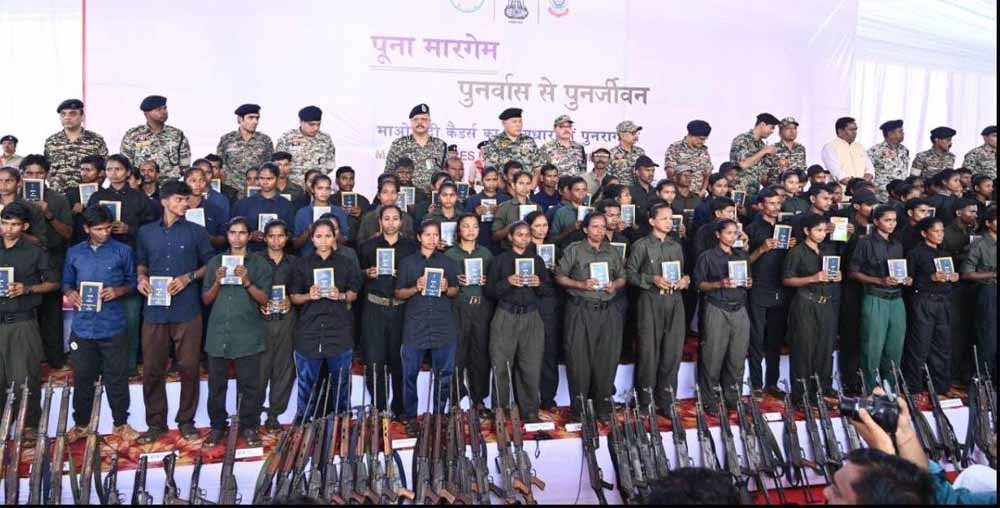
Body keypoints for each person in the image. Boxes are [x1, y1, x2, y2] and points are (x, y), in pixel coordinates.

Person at [134, 181, 215, 444]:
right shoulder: (146, 232)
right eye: (179, 199)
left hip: (187, 308)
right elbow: (141, 263)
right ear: (164, 201)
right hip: (155, 309)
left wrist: (188, 277)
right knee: (152, 368)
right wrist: (141, 278)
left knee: (189, 366)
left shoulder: (197, 232)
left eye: (186, 199)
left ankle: (186, 421)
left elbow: (211, 264)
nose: (185, 204)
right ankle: (156, 423)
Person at [62, 205, 138, 441]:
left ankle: (121, 424)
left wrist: (118, 291)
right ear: (87, 229)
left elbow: (133, 283)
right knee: (83, 377)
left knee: (117, 377)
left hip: (112, 324)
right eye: (99, 229)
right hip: (83, 327)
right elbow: (66, 283)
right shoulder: (74, 253)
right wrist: (70, 293)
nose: (105, 233)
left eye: (107, 228)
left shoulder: (123, 251)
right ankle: (81, 425)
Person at [200, 217, 270, 446]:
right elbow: (206, 299)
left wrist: (247, 281)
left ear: (249, 236)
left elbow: (265, 299)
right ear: (227, 235)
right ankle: (217, 427)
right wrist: (217, 282)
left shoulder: (259, 264)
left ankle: (249, 426)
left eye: (242, 233)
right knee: (216, 386)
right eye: (232, 232)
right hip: (219, 332)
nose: (237, 237)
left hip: (247, 332)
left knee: (249, 385)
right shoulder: (215, 263)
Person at [555, 212, 626, 418]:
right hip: (581, 310)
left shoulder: (611, 251)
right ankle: (579, 410)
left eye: (603, 226)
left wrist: (615, 285)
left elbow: (622, 276)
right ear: (585, 229)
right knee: (578, 360)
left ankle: (603, 407)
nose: (600, 231)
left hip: (607, 311)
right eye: (595, 226)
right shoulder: (574, 250)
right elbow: (559, 276)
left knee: (607, 359)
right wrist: (580, 284)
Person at [0, 202, 60, 441]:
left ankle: (29, 427)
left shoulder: (35, 251)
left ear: (24, 226)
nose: (8, 229)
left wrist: (27, 289)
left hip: (22, 322)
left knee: (24, 378)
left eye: (14, 225)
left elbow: (53, 283)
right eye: (4, 223)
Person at [288, 218, 359, 419]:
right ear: (312, 239)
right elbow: (294, 297)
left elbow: (354, 293)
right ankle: (304, 421)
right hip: (310, 330)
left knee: (341, 382)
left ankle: (341, 421)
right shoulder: (302, 264)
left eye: (328, 236)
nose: (324, 240)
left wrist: (341, 295)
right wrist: (308, 296)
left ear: (335, 237)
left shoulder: (345, 263)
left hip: (338, 329)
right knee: (306, 382)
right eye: (319, 236)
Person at [395, 221, 460, 418]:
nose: (432, 239)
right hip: (415, 325)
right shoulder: (407, 263)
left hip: (442, 324)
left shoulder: (448, 262)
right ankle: (410, 416)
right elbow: (398, 293)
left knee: (444, 375)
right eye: (427, 235)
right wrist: (416, 287)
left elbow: (455, 291)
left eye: (436, 235)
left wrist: (446, 288)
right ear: (419, 237)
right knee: (409, 375)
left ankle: (439, 416)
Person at [626, 203, 688, 407]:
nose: (669, 222)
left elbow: (682, 272)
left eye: (671, 219)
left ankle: (667, 400)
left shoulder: (675, 246)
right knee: (648, 352)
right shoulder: (641, 245)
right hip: (650, 300)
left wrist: (684, 280)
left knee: (673, 352)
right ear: (652, 221)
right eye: (664, 218)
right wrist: (651, 279)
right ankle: (645, 402)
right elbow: (629, 274)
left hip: (674, 300)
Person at [848, 205, 911, 390]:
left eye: (894, 220)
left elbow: (899, 270)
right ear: (876, 221)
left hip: (897, 298)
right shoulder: (865, 243)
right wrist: (878, 280)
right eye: (887, 220)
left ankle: (890, 389)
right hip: (875, 297)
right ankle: (869, 389)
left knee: (895, 347)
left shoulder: (897, 244)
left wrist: (906, 279)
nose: (891, 224)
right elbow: (852, 272)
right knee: (872, 347)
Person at [20, 155, 74, 370]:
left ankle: (55, 359)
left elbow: (68, 233)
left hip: (51, 259)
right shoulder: (15, 198)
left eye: (39, 173)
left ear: (47, 175)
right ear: (22, 175)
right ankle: (28, 361)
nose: (34, 177)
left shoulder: (57, 199)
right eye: (29, 173)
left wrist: (48, 213)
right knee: (25, 313)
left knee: (52, 313)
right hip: (22, 263)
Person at [693, 219, 752, 411]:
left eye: (735, 233)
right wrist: (719, 284)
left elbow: (747, 280)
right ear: (718, 234)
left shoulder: (741, 255)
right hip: (716, 307)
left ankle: (733, 398)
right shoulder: (707, 257)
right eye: (728, 233)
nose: (732, 237)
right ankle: (709, 399)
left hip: (739, 308)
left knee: (737, 357)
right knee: (712, 356)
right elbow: (698, 284)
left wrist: (748, 282)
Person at [782, 213, 840, 405]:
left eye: (824, 230)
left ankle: (823, 390)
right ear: (807, 231)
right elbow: (787, 279)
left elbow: (832, 273)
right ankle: (801, 394)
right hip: (805, 302)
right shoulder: (797, 252)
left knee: (825, 348)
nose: (822, 234)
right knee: (803, 349)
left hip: (826, 302)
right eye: (818, 230)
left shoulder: (827, 250)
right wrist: (812, 278)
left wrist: (837, 276)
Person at [745, 187, 794, 398]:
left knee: (775, 339)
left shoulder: (786, 228)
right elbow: (741, 263)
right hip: (759, 288)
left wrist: (793, 246)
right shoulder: (751, 229)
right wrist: (761, 249)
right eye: (771, 203)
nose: (775, 207)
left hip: (780, 288)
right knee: (756, 338)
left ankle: (772, 383)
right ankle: (757, 384)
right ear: (760, 205)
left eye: (778, 203)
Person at [445, 214, 494, 412]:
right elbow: (444, 284)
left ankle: (479, 399)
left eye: (474, 226)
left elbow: (495, 282)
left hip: (481, 307)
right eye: (466, 226)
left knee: (480, 354)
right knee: (457, 354)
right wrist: (456, 281)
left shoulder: (486, 254)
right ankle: (455, 399)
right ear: (459, 230)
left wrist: (487, 281)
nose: (471, 230)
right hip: (458, 307)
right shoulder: (450, 255)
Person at [901, 217, 957, 392]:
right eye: (936, 231)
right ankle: (914, 387)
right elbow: (908, 282)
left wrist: (954, 277)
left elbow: (951, 278)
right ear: (924, 233)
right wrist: (930, 278)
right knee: (920, 345)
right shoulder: (915, 253)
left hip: (943, 301)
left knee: (942, 345)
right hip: (923, 300)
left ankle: (940, 386)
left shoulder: (945, 253)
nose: (940, 235)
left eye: (942, 231)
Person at [258, 220, 297, 432]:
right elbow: (247, 288)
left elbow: (301, 289)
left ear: (286, 238)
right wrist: (257, 304)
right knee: (259, 368)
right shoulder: (255, 261)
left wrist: (291, 300)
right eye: (271, 236)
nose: (276, 240)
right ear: (265, 238)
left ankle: (274, 414)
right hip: (260, 321)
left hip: (286, 320)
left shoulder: (294, 263)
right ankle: (252, 413)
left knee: (283, 368)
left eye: (280, 235)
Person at [960, 205, 997, 378]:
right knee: (988, 337)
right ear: (988, 223)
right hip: (988, 291)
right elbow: (966, 273)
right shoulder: (979, 244)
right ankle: (983, 378)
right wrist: (993, 274)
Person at [43, 99, 109, 192]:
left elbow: (104, 169)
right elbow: (46, 169)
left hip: (86, 193)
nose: (67, 117)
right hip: (58, 194)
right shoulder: (51, 141)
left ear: (82, 117)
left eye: (72, 114)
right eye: (63, 114)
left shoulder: (96, 140)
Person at [120, 95, 191, 180]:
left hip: (171, 185)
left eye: (165, 108)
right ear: (146, 113)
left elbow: (185, 167)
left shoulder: (177, 135)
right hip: (142, 185)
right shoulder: (132, 135)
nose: (164, 112)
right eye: (159, 109)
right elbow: (125, 165)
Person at [384, 104, 448, 192]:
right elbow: (388, 174)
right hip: (406, 195)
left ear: (430, 122)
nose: (420, 123)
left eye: (423, 119)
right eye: (416, 119)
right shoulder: (399, 144)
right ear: (411, 122)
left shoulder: (440, 145)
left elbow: (445, 175)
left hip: (431, 196)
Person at [232, 162, 294, 251]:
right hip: (251, 253)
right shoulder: (243, 204)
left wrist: (278, 235)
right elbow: (233, 231)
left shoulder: (286, 205)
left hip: (278, 253)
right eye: (261, 178)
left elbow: (292, 234)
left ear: (277, 179)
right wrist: (250, 235)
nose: (265, 182)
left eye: (269, 178)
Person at [216, 103, 274, 192]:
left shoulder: (265, 140)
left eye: (257, 118)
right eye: (251, 118)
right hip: (232, 191)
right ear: (240, 119)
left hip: (257, 191)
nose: (255, 121)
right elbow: (219, 166)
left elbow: (270, 168)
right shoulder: (226, 140)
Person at [275, 106, 336, 184]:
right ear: (301, 122)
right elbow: (278, 163)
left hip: (316, 186)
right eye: (311, 124)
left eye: (318, 124)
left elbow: (330, 165)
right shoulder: (287, 138)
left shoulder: (325, 139)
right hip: (294, 185)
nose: (316, 128)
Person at [292, 174, 349, 256]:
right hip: (308, 258)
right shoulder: (302, 213)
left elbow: (345, 241)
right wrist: (308, 232)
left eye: (327, 188)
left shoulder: (339, 212)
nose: (324, 192)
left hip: (335, 257)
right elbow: (295, 245)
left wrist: (335, 231)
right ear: (312, 190)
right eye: (320, 188)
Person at [483, 108, 545, 179]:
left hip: (527, 185)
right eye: (514, 122)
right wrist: (502, 186)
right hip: (503, 185)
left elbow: (538, 168)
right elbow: (491, 169)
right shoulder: (495, 141)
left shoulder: (529, 141)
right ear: (504, 123)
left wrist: (532, 185)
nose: (518, 125)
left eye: (520, 121)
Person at [465, 166, 510, 253]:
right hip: (479, 242)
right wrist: (476, 214)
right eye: (488, 180)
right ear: (482, 181)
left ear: (498, 180)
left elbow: (511, 222)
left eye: (494, 179)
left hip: (501, 245)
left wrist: (501, 213)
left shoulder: (505, 199)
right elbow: (464, 223)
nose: (491, 183)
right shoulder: (473, 200)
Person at [730, 112, 780, 192]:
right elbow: (743, 164)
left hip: (754, 191)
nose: (772, 131)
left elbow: (763, 175)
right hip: (739, 190)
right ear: (762, 124)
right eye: (771, 127)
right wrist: (763, 151)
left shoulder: (761, 145)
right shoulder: (742, 139)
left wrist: (778, 164)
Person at [64, 154, 106, 244]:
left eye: (88, 170)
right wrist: (73, 212)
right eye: (82, 169)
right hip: (76, 241)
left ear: (101, 173)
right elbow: (62, 221)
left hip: (102, 241)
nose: (84, 173)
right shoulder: (71, 194)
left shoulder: (106, 194)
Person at [183, 165, 228, 249]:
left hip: (208, 253)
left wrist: (211, 239)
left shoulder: (215, 209)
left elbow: (224, 238)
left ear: (205, 183)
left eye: (201, 180)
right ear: (185, 183)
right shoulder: (178, 209)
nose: (198, 184)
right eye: (193, 181)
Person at [821, 117, 874, 184]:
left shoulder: (859, 147)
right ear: (840, 131)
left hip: (862, 187)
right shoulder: (830, 147)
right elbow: (837, 173)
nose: (855, 132)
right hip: (841, 189)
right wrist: (856, 185)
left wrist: (863, 183)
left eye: (855, 129)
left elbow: (870, 169)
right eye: (851, 130)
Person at [868, 120, 911, 202]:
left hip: (901, 194)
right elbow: (868, 171)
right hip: (883, 195)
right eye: (900, 131)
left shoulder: (904, 150)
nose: (903, 133)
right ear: (890, 134)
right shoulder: (875, 150)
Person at [331, 166, 371, 244]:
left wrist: (360, 215)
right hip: (335, 242)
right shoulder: (330, 200)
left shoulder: (363, 201)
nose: (348, 182)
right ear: (337, 181)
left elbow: (370, 224)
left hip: (358, 243)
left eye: (351, 179)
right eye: (344, 179)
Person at [608, 121, 646, 187]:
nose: (636, 136)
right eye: (633, 133)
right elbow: (608, 176)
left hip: (638, 190)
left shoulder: (640, 152)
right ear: (622, 135)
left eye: (637, 133)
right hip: (619, 191)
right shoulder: (612, 153)